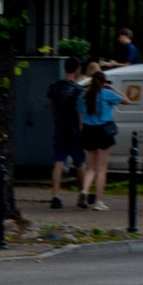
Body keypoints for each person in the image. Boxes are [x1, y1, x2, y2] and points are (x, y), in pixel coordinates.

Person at [76, 66, 118, 209]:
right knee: (101, 169)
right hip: (103, 131)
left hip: (88, 131)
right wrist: (111, 87)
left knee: (90, 168)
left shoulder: (84, 96)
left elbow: (80, 116)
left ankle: (84, 190)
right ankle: (99, 201)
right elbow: (126, 100)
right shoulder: (106, 93)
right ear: (103, 82)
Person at [46, 57, 86, 202]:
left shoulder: (54, 86)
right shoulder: (78, 90)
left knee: (58, 161)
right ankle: (82, 193)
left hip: (60, 127)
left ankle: (55, 195)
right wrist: (82, 131)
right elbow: (80, 113)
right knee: (80, 162)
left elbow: (52, 108)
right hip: (74, 129)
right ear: (76, 69)